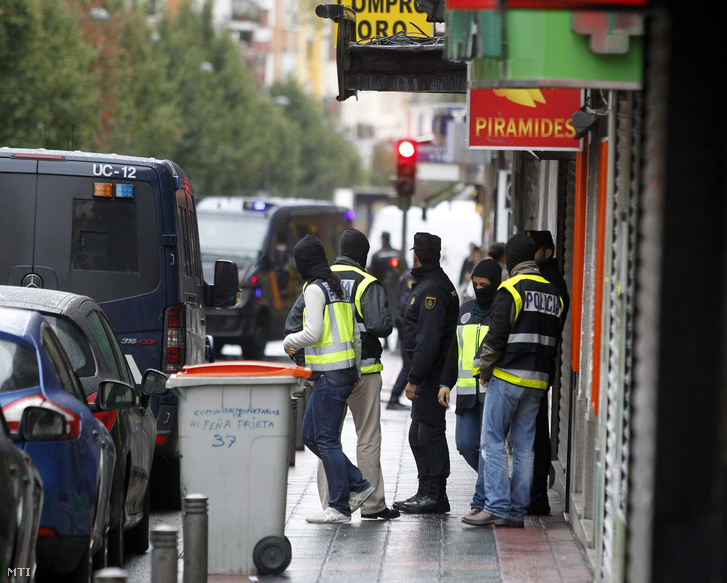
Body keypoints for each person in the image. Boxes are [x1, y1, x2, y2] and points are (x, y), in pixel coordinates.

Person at [463, 234, 563, 528]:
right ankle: (517, 511)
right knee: (524, 447)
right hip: (538, 381)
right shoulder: (553, 292)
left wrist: (484, 370)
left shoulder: (511, 289)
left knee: (491, 441)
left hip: (507, 376)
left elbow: (496, 337)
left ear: (514, 260)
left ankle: (495, 506)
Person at [283, 234, 374, 524]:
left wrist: (289, 341)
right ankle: (357, 485)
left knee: (323, 438)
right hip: (344, 372)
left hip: (330, 375)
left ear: (303, 263)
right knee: (311, 435)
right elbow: (356, 335)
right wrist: (356, 370)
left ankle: (339, 505)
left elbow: (312, 332)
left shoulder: (313, 288)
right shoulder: (338, 287)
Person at [311, 228, 399, 520]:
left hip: (329, 371)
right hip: (365, 371)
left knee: (328, 438)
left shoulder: (319, 280)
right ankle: (373, 505)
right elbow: (380, 326)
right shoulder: (368, 283)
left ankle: (331, 502)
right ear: (363, 255)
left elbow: (296, 322)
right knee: (368, 437)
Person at [392, 232, 459, 514]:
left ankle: (435, 495)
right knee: (418, 432)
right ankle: (426, 490)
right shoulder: (431, 283)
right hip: (428, 371)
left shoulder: (432, 289)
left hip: (431, 374)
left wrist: (415, 377)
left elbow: (429, 339)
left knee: (428, 432)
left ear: (415, 255)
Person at [437, 259, 502, 520]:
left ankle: (482, 500)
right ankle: (498, 484)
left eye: (484, 285)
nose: (478, 289)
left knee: (488, 446)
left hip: (492, 390)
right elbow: (455, 351)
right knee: (465, 444)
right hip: (466, 393)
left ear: (495, 285)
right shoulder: (465, 310)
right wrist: (445, 383)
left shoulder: (502, 310)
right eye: (475, 285)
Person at [525, 230, 571, 516]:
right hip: (535, 365)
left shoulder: (550, 283)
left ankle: (537, 496)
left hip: (538, 366)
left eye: (534, 250)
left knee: (536, 432)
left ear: (548, 252)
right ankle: (533, 494)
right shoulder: (543, 279)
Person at [386, 269, 415, 411]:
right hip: (408, 327)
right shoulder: (412, 277)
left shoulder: (411, 275)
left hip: (407, 326)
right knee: (408, 365)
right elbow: (406, 304)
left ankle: (395, 397)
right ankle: (394, 397)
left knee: (409, 364)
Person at [369, 232, 401, 350]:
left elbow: (372, 274)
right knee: (396, 312)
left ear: (382, 239)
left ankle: (387, 342)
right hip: (396, 289)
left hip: (382, 289)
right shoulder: (398, 253)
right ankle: (398, 340)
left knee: (384, 313)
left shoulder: (376, 255)